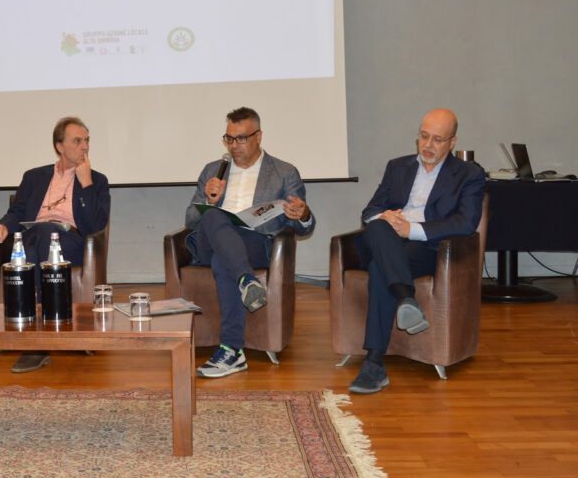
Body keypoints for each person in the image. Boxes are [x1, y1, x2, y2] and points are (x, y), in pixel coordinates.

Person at [348, 108, 485, 394]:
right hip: (385, 239)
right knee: (377, 226)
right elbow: (370, 210)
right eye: (424, 136)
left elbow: (465, 222)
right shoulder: (398, 167)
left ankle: (374, 363)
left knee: (379, 267)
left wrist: (411, 230)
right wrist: (387, 217)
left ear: (452, 142)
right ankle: (406, 298)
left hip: (426, 247)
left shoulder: (469, 174)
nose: (428, 145)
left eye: (437, 139)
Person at [185, 107, 315, 378]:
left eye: (241, 138)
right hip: (211, 241)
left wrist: (302, 214)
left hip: (255, 244)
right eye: (229, 139)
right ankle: (247, 280)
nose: (234, 146)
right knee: (214, 217)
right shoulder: (213, 171)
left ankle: (231, 350)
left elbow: (303, 224)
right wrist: (209, 200)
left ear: (258, 136)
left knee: (224, 259)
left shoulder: (284, 172)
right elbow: (190, 220)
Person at [0, 117, 110, 373]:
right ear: (59, 146)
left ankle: (37, 343)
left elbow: (94, 226)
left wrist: (86, 184)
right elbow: (17, 212)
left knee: (40, 240)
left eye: (87, 141)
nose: (85, 146)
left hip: (70, 241)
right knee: (34, 241)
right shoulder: (34, 177)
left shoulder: (97, 180)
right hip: (33, 236)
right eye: (77, 141)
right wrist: (2, 226)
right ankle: (49, 328)